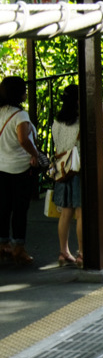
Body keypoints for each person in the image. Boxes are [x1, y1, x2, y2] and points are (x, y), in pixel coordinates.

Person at [52, 83, 103, 267]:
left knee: (65, 214)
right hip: (79, 171)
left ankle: (63, 252)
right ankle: (82, 253)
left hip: (62, 170)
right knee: (81, 213)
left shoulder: (57, 122)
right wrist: (101, 110)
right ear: (79, 101)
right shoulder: (83, 123)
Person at [0, 75, 41, 266]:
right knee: (19, 210)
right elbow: (23, 139)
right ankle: (19, 248)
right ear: (19, 93)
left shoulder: (0, 112)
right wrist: (36, 154)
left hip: (1, 167)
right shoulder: (20, 115)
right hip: (20, 168)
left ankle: (3, 244)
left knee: (3, 208)